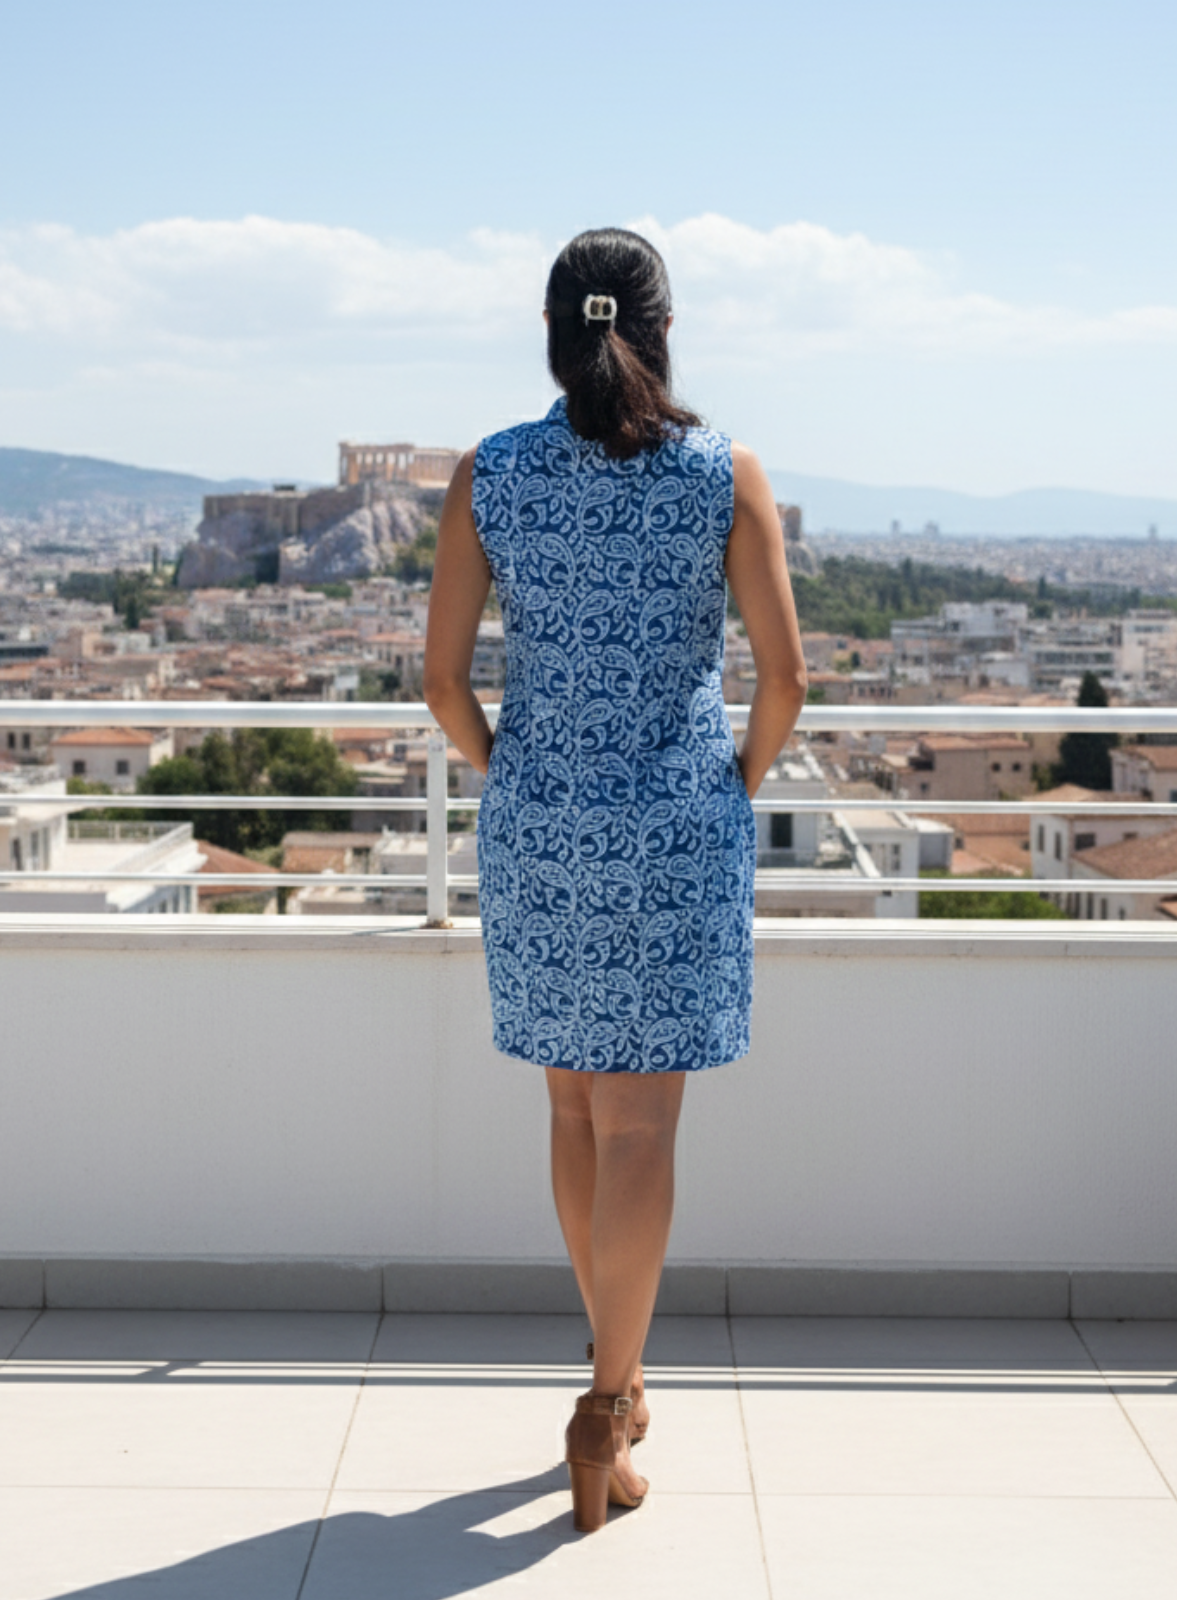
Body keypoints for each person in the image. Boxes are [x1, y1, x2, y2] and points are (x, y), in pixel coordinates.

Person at [424, 227, 806, 1531]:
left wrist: (510, 772)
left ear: (554, 332)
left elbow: (441, 685)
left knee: (575, 1117)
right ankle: (606, 1403)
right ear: (662, 330)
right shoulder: (723, 472)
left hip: (543, 831)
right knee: (643, 1129)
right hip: (673, 834)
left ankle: (617, 1387)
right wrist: (729, 785)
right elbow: (787, 677)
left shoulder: (494, 474)